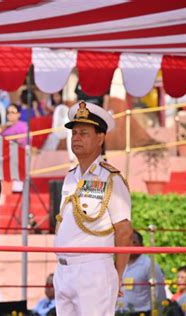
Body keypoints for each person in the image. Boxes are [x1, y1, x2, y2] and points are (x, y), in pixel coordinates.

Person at [53, 101, 133, 316]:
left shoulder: (111, 178)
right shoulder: (70, 177)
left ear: (100, 138)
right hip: (63, 269)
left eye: (84, 133)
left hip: (94, 269)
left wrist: (118, 274)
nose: (76, 138)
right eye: (74, 133)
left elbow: (124, 231)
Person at [116, 230, 166, 315]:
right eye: (127, 242)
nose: (130, 245)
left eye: (134, 242)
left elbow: (159, 293)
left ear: (142, 246)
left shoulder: (149, 265)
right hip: (119, 312)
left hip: (141, 313)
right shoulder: (117, 263)